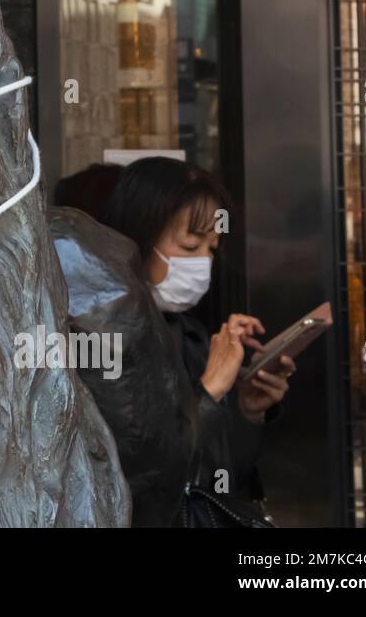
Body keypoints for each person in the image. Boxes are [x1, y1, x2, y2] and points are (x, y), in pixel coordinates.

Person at [103, 156, 296, 525]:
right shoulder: (100, 342)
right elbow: (145, 477)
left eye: (211, 249)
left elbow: (221, 478)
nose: (202, 264)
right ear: (136, 239)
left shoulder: (191, 337)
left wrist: (246, 409)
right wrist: (209, 391)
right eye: (190, 247)